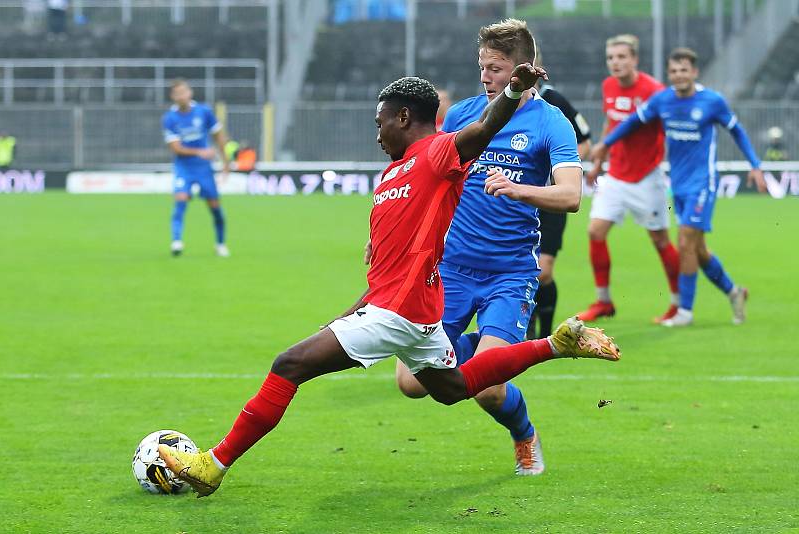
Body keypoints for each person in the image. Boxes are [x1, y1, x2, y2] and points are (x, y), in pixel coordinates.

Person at [158, 70, 621, 497]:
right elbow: (386, 269)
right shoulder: (391, 173)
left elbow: (481, 130)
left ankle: (213, 465)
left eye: (380, 123)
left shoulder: (438, 152)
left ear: (404, 118)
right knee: (451, 388)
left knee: (289, 364)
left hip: (399, 312)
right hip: (411, 311)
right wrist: (346, 314)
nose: (376, 134)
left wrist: (513, 92)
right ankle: (556, 345)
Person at [393, 19, 586, 477]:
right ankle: (483, 347)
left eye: (495, 69)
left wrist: (519, 190)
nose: (485, 77)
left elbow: (572, 196)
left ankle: (524, 435)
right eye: (482, 66)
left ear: (522, 70)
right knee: (410, 384)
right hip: (452, 270)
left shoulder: (551, 122)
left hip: (510, 275)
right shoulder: (462, 115)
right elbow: (425, 179)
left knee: (487, 389)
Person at [589, 47, 766, 327]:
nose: (679, 75)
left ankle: (684, 311)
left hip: (702, 184)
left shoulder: (712, 101)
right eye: (673, 71)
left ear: (694, 72)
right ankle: (734, 292)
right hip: (679, 185)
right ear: (669, 75)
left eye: (684, 70)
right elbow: (633, 122)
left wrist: (755, 165)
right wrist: (605, 145)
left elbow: (737, 130)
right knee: (697, 250)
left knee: (684, 243)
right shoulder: (663, 100)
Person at [580, 34, 680, 324]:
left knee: (660, 240)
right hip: (616, 175)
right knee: (595, 231)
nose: (615, 63)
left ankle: (677, 304)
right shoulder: (608, 86)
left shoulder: (653, 90)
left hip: (647, 177)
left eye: (622, 57)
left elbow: (666, 127)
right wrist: (599, 163)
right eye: (611, 58)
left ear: (635, 59)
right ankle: (604, 301)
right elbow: (611, 123)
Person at [528, 76, 593, 341]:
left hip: (552, 199)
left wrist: (561, 165)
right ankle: (527, 327)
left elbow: (586, 141)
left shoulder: (554, 102)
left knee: (543, 270)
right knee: (526, 270)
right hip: (520, 200)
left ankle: (546, 331)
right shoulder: (502, 103)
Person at [162, 79, 231, 258]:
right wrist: (200, 151)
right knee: (181, 199)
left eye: (184, 92)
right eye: (178, 93)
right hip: (184, 167)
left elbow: (219, 136)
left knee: (214, 206)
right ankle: (176, 241)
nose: (182, 96)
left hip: (204, 169)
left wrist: (225, 163)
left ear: (190, 93)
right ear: (173, 97)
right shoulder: (170, 118)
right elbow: (176, 148)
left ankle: (220, 243)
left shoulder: (204, 112)